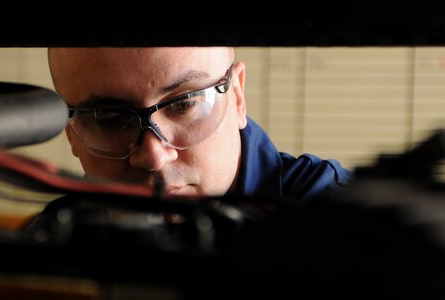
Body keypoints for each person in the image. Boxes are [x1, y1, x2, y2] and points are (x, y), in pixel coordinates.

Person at [45, 46, 352, 203]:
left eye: (184, 104)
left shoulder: (339, 220)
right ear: (70, 132)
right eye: (109, 119)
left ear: (238, 95)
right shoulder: (53, 243)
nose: (153, 156)